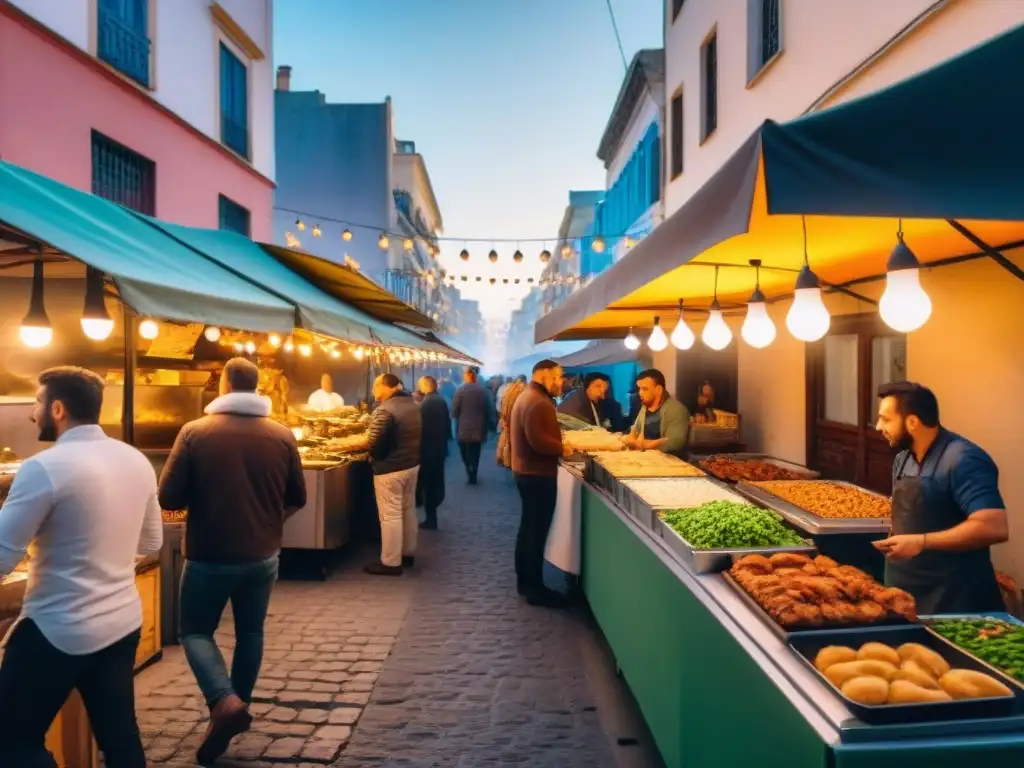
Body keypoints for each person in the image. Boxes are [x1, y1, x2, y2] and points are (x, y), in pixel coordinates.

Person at [0, 366, 163, 767]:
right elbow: (151, 542)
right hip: (121, 623)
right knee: (120, 738)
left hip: (56, 629)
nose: (32, 412)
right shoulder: (136, 460)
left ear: (57, 408)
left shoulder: (43, 468)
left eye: (37, 402)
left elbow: (1, 556)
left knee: (13, 743)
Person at [159, 357, 307, 764]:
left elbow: (168, 497)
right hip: (263, 554)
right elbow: (298, 497)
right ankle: (235, 706)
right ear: (256, 388)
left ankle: (224, 702)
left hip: (210, 553)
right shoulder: (281, 434)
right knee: (251, 632)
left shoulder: (195, 432)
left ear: (223, 385)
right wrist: (268, 520)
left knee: (195, 632)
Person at [872, 381, 1009, 614]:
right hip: (903, 592)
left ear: (913, 422)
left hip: (953, 599)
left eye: (885, 419)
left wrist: (922, 542)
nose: (877, 427)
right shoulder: (902, 458)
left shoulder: (963, 459)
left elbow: (993, 527)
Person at [509, 360, 573, 607]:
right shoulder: (538, 402)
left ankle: (524, 582)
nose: (561, 382)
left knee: (528, 529)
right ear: (544, 375)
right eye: (558, 376)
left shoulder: (528, 396)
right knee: (536, 532)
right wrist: (564, 448)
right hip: (537, 475)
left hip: (526, 473)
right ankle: (535, 588)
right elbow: (538, 442)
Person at [365, 374, 422, 576]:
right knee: (407, 511)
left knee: (390, 516)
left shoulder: (385, 410)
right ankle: (407, 553)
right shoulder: (414, 405)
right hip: (411, 465)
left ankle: (390, 562)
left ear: (386, 387)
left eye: (375, 385)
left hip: (390, 469)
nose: (373, 390)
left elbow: (374, 443)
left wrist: (374, 457)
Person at [623, 369, 690, 458]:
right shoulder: (645, 406)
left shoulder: (676, 409)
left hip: (670, 464)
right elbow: (635, 432)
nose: (640, 393)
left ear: (658, 389)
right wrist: (630, 438)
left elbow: (674, 443)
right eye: (639, 389)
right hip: (647, 460)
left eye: (645, 389)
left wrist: (643, 444)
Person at [416, 376, 450, 530]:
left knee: (429, 486)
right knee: (435, 483)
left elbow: (421, 429)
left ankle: (431, 519)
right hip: (439, 450)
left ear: (425, 386)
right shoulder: (439, 400)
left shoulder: (427, 403)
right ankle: (431, 517)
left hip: (429, 451)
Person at [452, 366, 491, 484]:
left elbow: (455, 410)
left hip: (464, 428)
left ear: (466, 377)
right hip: (479, 428)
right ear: (475, 377)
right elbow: (488, 409)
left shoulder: (460, 390)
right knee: (476, 451)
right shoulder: (483, 391)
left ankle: (469, 468)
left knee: (464, 451)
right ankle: (473, 470)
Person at [496, 375, 527, 468]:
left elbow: (501, 407)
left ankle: (508, 461)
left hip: (508, 422)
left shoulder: (508, 391)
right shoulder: (523, 391)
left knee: (508, 443)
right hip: (518, 423)